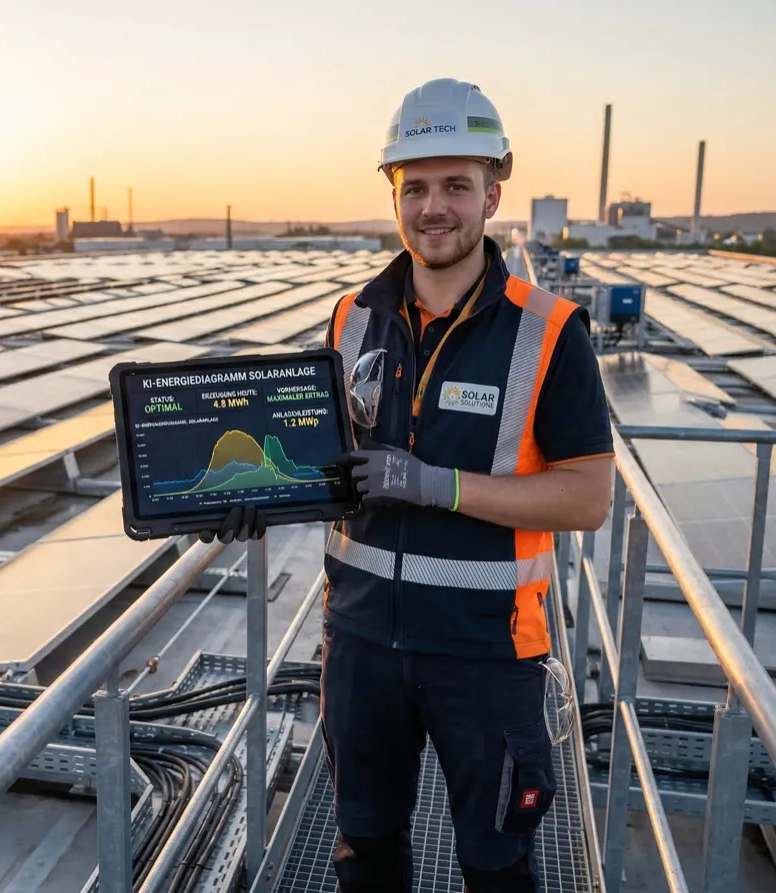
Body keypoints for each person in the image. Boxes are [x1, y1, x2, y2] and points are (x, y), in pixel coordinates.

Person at [201, 78, 615, 892]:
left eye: (456, 185)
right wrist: (255, 495)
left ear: (493, 191)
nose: (434, 207)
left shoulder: (550, 332)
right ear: (392, 192)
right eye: (414, 186)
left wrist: (438, 485)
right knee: (367, 853)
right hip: (359, 645)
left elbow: (587, 498)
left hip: (487, 653)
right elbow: (327, 464)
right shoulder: (351, 317)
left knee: (495, 866)